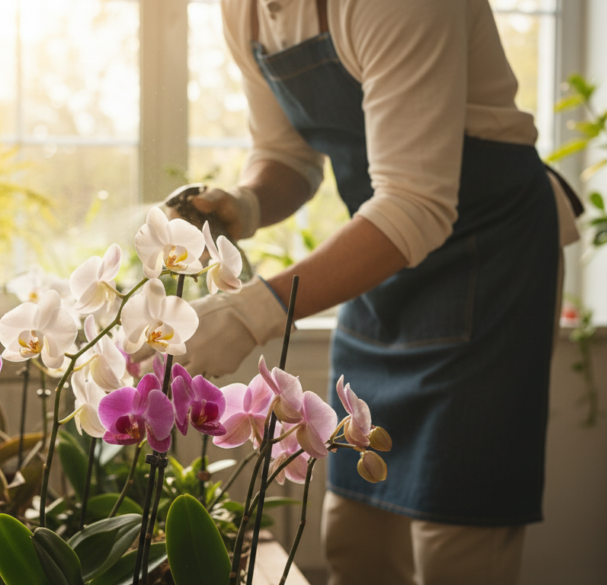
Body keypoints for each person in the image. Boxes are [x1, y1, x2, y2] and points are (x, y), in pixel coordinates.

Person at [161, 0, 581, 583]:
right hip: (380, 263)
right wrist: (247, 204)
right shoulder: (245, 12)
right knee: (355, 541)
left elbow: (415, 203)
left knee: (455, 539)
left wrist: (250, 313)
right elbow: (287, 155)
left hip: (488, 265)